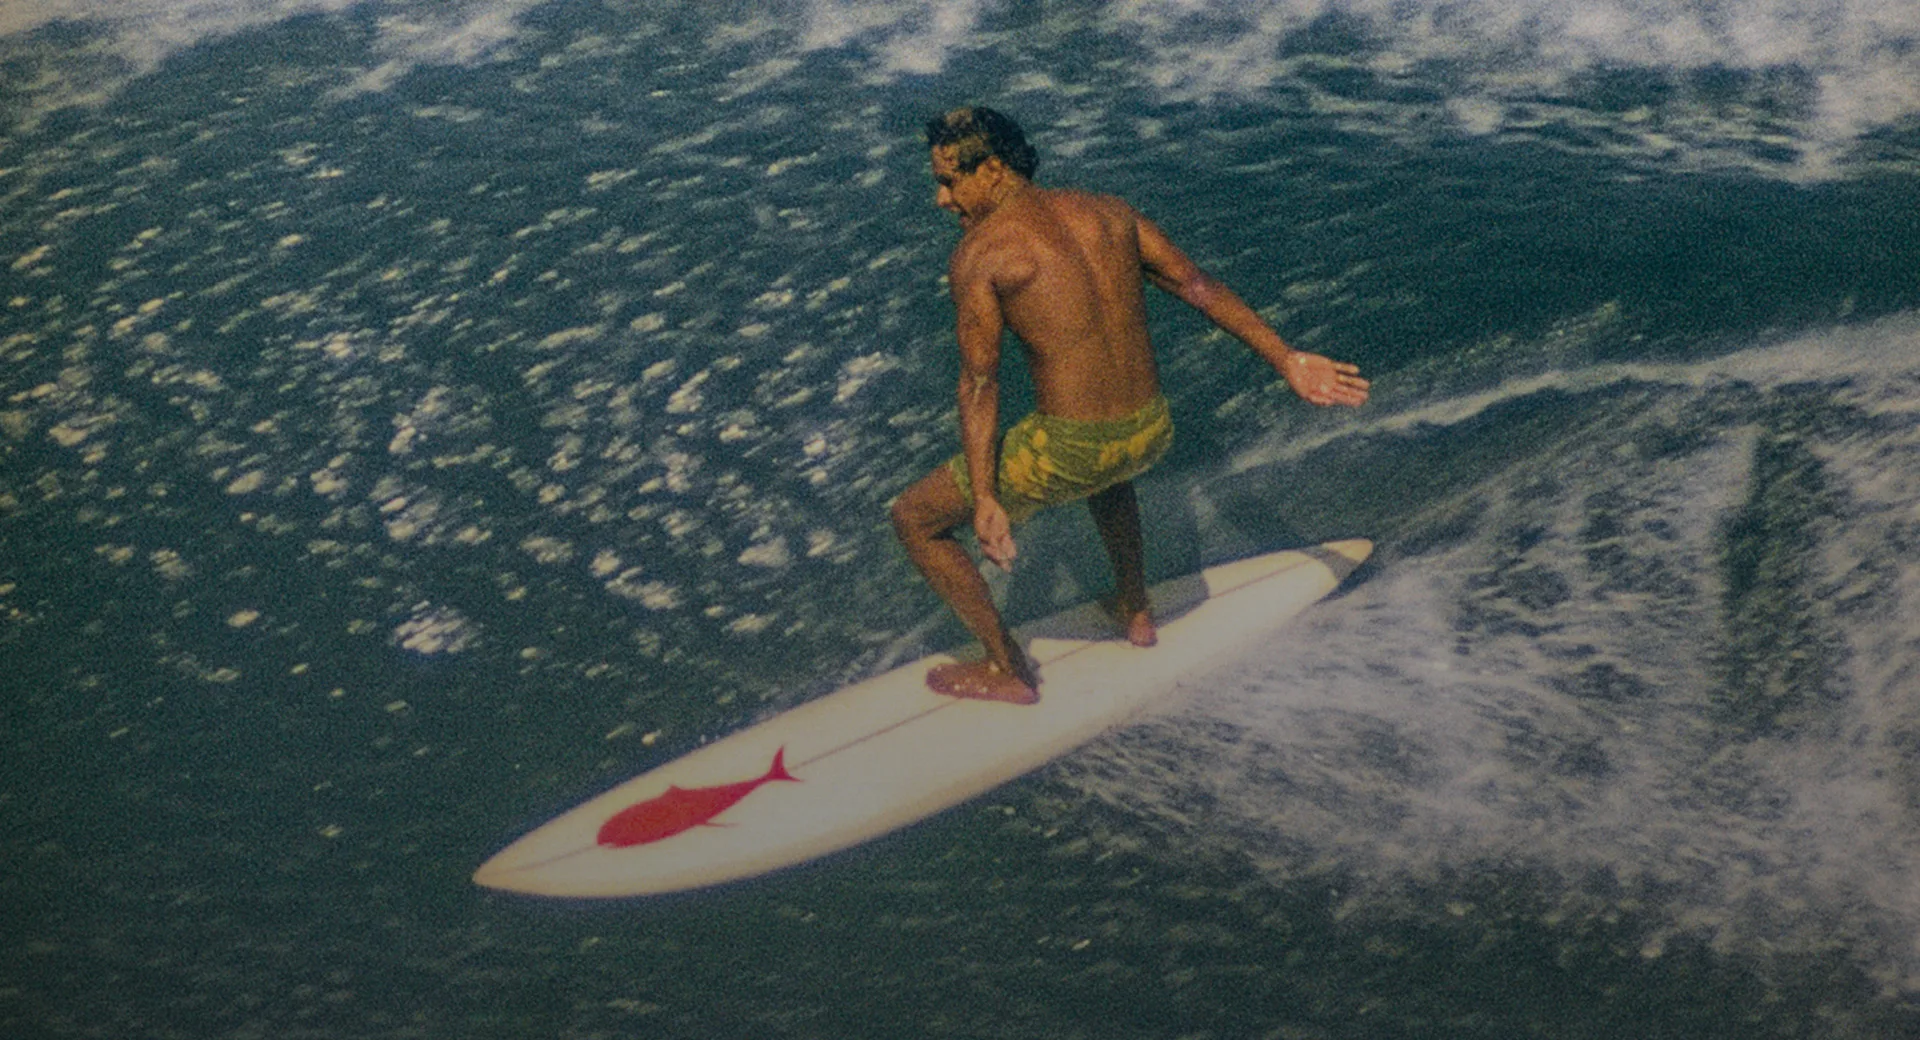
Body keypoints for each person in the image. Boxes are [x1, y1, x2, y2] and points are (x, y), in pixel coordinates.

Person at [890, 106, 1370, 706]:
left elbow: (980, 383)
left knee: (915, 518)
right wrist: (1285, 358)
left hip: (1076, 448)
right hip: (1150, 429)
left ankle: (1005, 668)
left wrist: (986, 498)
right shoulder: (1110, 213)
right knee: (1104, 464)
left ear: (989, 170)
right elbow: (1196, 284)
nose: (941, 198)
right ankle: (1136, 610)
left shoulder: (984, 253)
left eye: (948, 180)